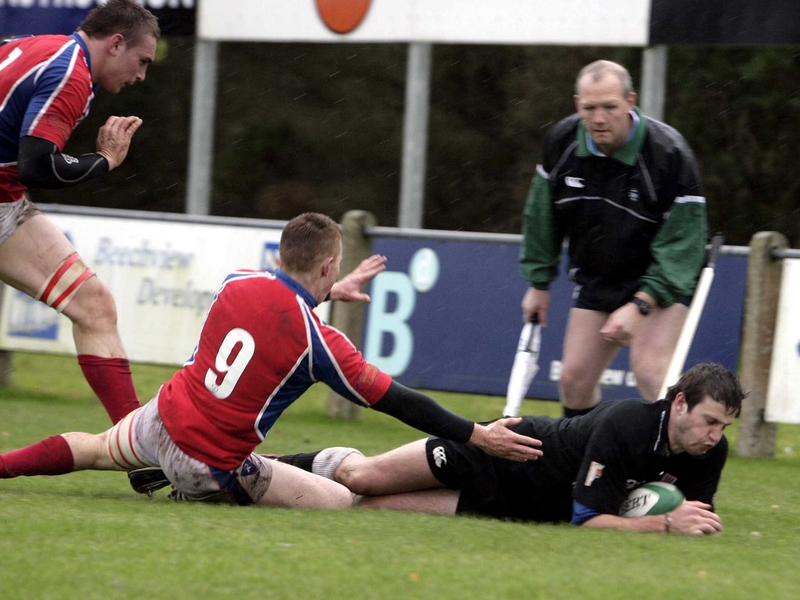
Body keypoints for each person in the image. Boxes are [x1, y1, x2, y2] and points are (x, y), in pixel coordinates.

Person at [0, 213, 542, 508]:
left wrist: (326, 292)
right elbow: (400, 401)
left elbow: (276, 308)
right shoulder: (320, 344)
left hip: (163, 416)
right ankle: (192, 487)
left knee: (94, 449)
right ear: (330, 264)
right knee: (342, 503)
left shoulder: (241, 279)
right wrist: (477, 434)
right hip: (208, 467)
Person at [281, 363, 745, 535]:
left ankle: (274, 489)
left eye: (723, 427)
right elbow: (589, 520)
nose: (714, 436)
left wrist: (692, 524)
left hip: (515, 506)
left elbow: (699, 518)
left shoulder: (710, 451)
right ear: (680, 403)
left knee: (370, 507)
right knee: (360, 479)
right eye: (709, 421)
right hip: (499, 452)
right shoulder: (629, 422)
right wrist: (664, 524)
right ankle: (268, 467)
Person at [0, 0, 160, 424]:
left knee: (94, 306)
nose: (142, 75)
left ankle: (138, 450)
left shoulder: (38, 46)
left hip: (5, 202)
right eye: (141, 61)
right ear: (116, 43)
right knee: (94, 306)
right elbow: (38, 166)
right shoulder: (70, 72)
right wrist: (103, 161)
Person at [519, 60, 708, 416]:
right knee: (574, 379)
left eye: (610, 107)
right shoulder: (561, 143)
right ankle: (586, 464)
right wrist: (538, 283)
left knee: (652, 373)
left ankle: (673, 469)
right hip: (599, 276)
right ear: (578, 105)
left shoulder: (669, 154)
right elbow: (541, 217)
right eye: (590, 108)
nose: (600, 118)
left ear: (630, 101)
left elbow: (682, 247)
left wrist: (640, 304)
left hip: (662, 279)